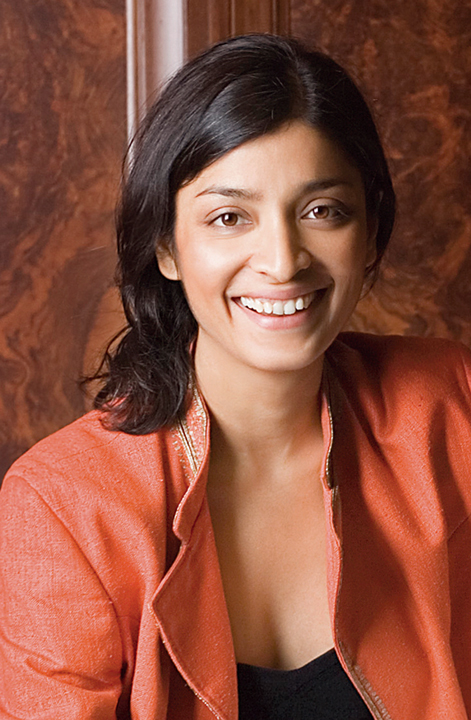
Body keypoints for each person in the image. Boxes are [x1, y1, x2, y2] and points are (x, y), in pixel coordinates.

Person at [0, 33, 470, 720]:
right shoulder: (64, 504)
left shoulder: (451, 408)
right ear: (166, 246)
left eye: (321, 211)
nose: (282, 260)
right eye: (228, 217)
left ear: (369, 233)